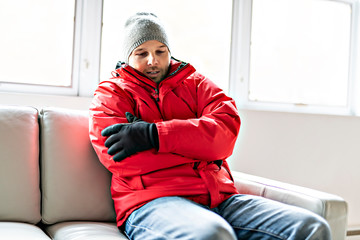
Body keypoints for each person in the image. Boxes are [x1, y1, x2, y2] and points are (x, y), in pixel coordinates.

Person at [89, 12, 331, 240]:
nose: (153, 61)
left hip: (219, 198)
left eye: (160, 51)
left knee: (312, 228)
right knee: (211, 234)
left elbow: (226, 134)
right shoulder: (110, 94)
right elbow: (122, 160)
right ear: (128, 56)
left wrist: (154, 135)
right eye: (141, 53)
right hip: (151, 202)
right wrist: (200, 144)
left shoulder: (196, 84)